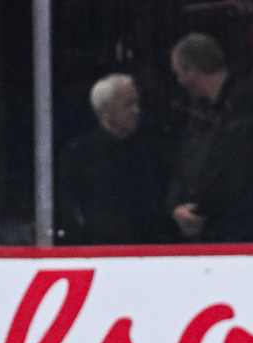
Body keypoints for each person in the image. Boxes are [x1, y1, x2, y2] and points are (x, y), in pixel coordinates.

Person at [165, 33, 253, 242]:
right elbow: (182, 164)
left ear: (193, 70)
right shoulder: (196, 112)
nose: (179, 81)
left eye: (179, 73)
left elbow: (236, 173)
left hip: (243, 234)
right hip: (208, 231)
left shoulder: (251, 108)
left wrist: (199, 210)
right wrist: (176, 206)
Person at [55, 73, 168, 245]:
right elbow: (70, 212)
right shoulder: (77, 155)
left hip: (147, 250)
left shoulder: (150, 152)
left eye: (137, 103)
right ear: (105, 112)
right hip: (99, 251)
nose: (136, 110)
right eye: (128, 105)